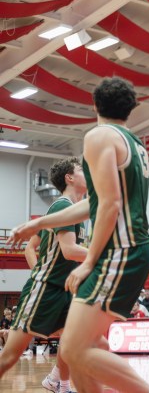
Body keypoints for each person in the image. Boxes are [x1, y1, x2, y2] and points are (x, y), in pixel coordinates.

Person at [9, 77, 149, 393]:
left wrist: (89, 260)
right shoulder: (133, 142)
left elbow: (109, 204)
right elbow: (94, 202)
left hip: (121, 251)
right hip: (129, 249)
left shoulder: (99, 135)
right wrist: (38, 225)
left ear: (94, 105)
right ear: (130, 109)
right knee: (79, 350)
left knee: (75, 350)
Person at [1, 157, 87, 393]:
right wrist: (40, 273)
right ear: (69, 178)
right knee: (10, 356)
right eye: (81, 169)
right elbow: (69, 251)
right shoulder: (62, 206)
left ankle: (59, 384)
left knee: (74, 339)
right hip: (46, 287)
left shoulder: (79, 211)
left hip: (66, 288)